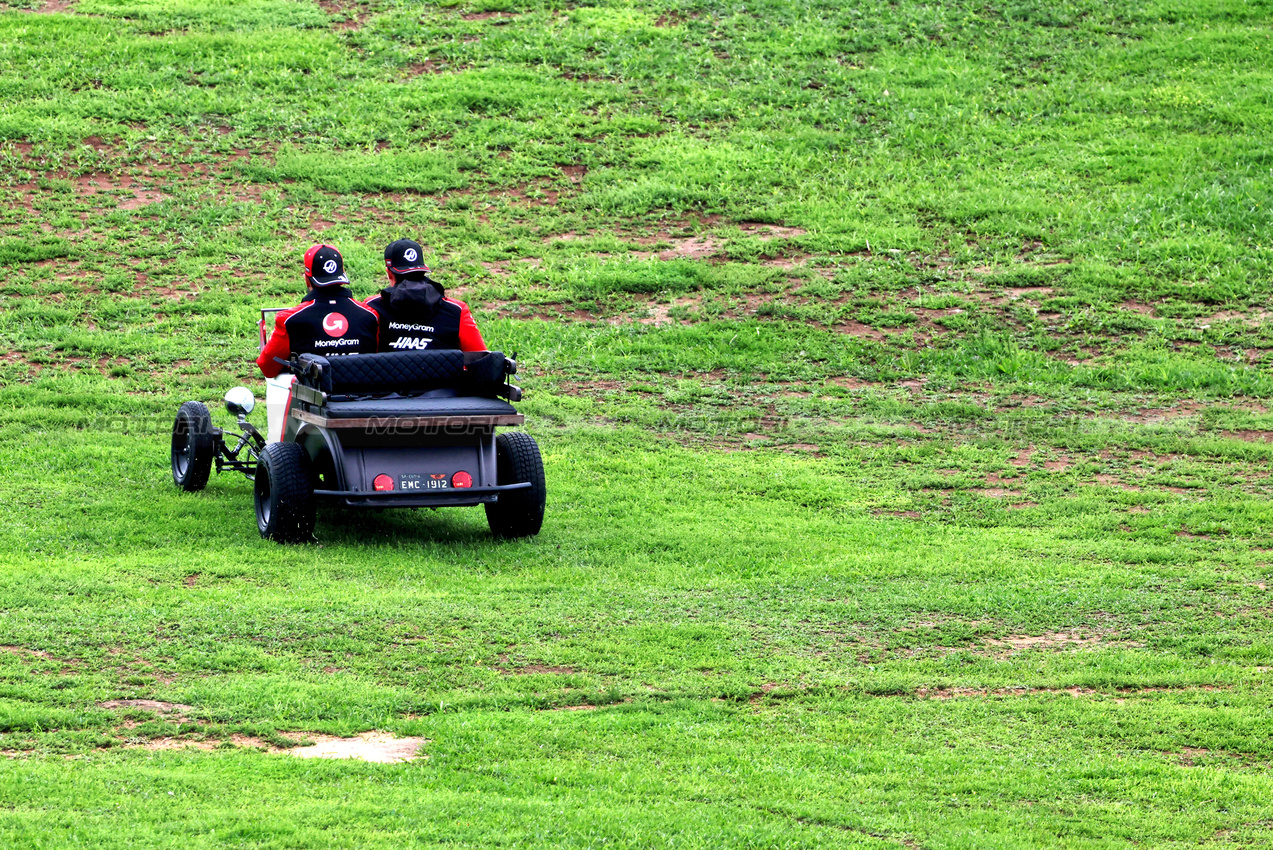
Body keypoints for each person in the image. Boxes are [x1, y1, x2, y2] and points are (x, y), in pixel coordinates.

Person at [256, 244, 381, 378]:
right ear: (343, 273)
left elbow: (267, 367)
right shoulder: (370, 315)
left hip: (312, 397)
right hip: (362, 396)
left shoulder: (290, 320)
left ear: (307, 279)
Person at [365, 239, 486, 353]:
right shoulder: (457, 310)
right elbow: (480, 358)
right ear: (423, 270)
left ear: (389, 273)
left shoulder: (372, 307)